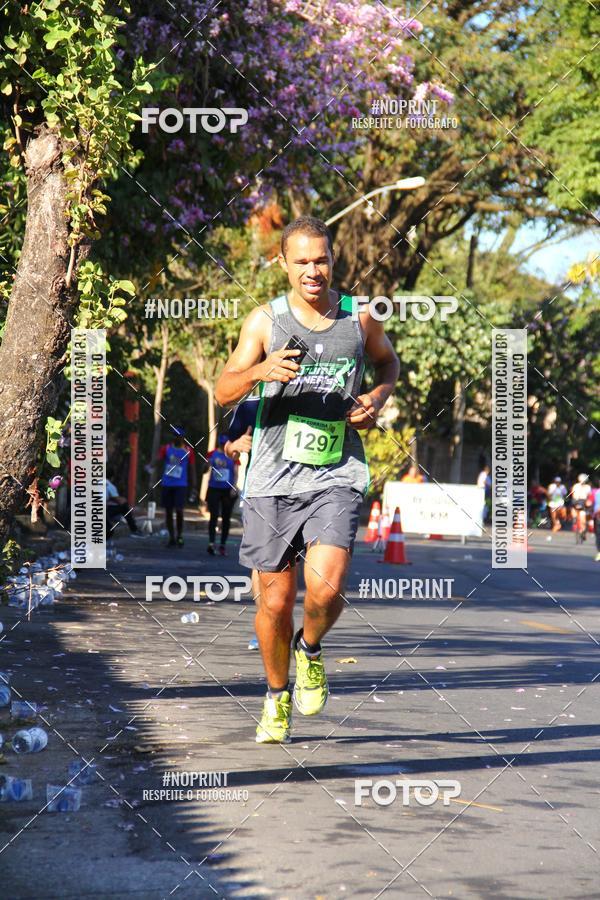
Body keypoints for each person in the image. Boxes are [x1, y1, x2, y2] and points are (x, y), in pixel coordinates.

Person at [215, 215, 399, 744]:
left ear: (332, 261)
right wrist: (259, 372)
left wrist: (375, 400)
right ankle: (276, 696)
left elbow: (388, 367)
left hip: (337, 471)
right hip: (272, 478)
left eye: (321, 260)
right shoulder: (263, 322)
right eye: (302, 262)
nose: (313, 270)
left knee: (326, 586)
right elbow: (225, 389)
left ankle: (311, 649)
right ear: (283, 263)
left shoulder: (360, 318)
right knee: (274, 602)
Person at [224, 397, 260, 650]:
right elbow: (228, 447)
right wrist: (236, 445)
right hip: (262, 493)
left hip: (316, 492)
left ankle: (309, 641)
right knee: (265, 563)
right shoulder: (251, 405)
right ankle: (267, 624)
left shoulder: (324, 390)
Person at [157, 426, 196, 547]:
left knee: (179, 510)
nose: (176, 438)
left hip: (181, 485)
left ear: (183, 437)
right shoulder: (166, 448)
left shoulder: (188, 451)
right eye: (174, 435)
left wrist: (194, 485)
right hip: (167, 484)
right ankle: (171, 537)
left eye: (178, 436)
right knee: (168, 511)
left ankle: (179, 535)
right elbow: (158, 462)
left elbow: (192, 468)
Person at [205, 434, 237, 556]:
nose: (223, 445)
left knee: (226, 518)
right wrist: (207, 464)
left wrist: (234, 487)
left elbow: (235, 472)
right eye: (222, 444)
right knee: (213, 516)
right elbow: (205, 470)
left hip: (227, 490)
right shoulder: (212, 454)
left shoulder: (233, 455)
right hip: (214, 488)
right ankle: (211, 543)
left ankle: (222, 544)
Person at [571, 473, 592, 540]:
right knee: (575, 513)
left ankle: (582, 530)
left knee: (583, 519)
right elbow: (573, 495)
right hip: (576, 503)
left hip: (583, 504)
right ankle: (575, 521)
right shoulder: (576, 486)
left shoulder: (588, 487)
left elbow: (589, 497)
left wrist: (588, 502)